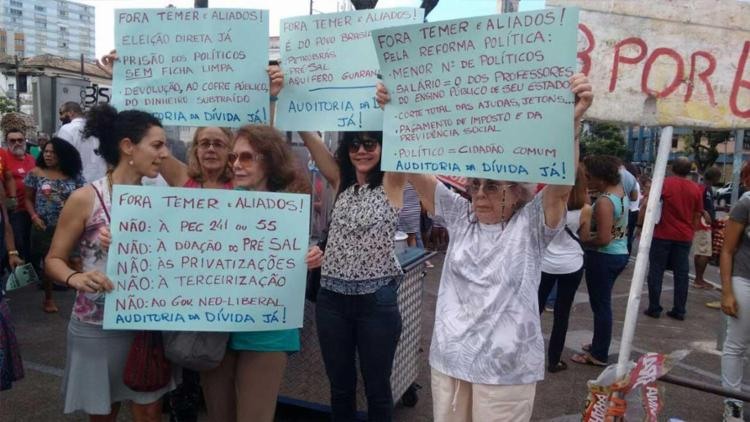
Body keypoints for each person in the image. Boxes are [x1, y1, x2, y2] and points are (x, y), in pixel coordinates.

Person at [375, 73, 592, 421]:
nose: (479, 194)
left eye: (492, 186)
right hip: (451, 362)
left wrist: (573, 121)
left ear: (519, 191)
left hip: (504, 372)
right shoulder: (462, 217)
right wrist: (394, 115)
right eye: (475, 184)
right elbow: (416, 173)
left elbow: (560, 187)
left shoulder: (530, 225)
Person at [45, 104, 175, 421]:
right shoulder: (86, 198)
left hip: (145, 324)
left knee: (149, 410)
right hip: (95, 327)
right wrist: (76, 279)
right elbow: (54, 259)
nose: (165, 154)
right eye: (157, 145)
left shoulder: (161, 198)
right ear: (128, 146)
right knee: (102, 412)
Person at [199, 125, 320, 422]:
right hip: (218, 330)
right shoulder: (218, 201)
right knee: (218, 416)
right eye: (233, 158)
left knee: (255, 416)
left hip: (268, 332)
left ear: (268, 160)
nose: (236, 165)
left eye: (246, 157)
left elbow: (295, 256)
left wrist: (311, 256)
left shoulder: (290, 205)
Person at [299, 129, 405, 421]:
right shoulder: (340, 183)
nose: (362, 150)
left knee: (378, 389)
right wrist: (286, 102)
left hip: (376, 303)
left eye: (370, 143)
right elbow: (310, 139)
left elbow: (407, 141)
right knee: (341, 389)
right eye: (354, 144)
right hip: (332, 302)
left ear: (385, 147)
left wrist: (392, 105)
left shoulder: (392, 182)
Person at [572, 155, 630, 367]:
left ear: (601, 177)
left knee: (601, 306)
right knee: (602, 304)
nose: (588, 181)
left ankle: (599, 353)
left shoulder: (605, 202)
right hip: (619, 252)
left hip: (605, 256)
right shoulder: (620, 193)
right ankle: (599, 343)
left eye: (590, 177)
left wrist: (585, 240)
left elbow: (604, 238)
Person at [538, 165, 592, 373]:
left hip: (546, 263)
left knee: (534, 309)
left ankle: (524, 352)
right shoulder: (586, 209)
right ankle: (554, 361)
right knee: (562, 314)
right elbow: (585, 237)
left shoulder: (547, 204)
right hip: (572, 264)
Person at [24, 137, 84, 313]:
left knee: (76, 261)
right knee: (48, 262)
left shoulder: (75, 176)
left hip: (69, 226)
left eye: (53, 152)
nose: (48, 155)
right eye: (46, 152)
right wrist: (34, 216)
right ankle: (48, 299)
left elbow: (84, 198)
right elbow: (28, 198)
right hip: (43, 226)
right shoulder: (35, 173)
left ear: (63, 155)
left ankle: (83, 298)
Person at [643, 157, 703, 321]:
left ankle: (654, 307)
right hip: (684, 236)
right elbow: (697, 213)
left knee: (656, 271)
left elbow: (651, 205)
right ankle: (679, 309)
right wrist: (692, 230)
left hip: (662, 233)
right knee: (681, 274)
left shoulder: (665, 184)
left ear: (672, 168)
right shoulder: (695, 188)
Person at [719, 161, 750, 422]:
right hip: (745, 281)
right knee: (736, 345)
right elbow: (727, 250)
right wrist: (727, 291)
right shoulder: (746, 203)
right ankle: (733, 406)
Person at [2, 129, 36, 265]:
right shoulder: (4, 159)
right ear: (7, 142)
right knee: (18, 244)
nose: (17, 143)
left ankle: (33, 275)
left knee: (32, 244)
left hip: (33, 210)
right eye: (12, 140)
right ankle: (19, 276)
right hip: (15, 211)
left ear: (25, 141)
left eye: (20, 140)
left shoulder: (32, 159)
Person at [57, 101, 108, 183]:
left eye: (62, 113)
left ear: (71, 112)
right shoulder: (99, 129)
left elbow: (61, 157)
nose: (61, 117)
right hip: (100, 182)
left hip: (76, 184)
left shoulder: (67, 129)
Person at [693, 166, 722, 289]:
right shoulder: (705, 188)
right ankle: (699, 279)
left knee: (700, 251)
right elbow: (698, 204)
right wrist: (704, 213)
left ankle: (698, 278)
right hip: (703, 224)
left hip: (702, 223)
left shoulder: (705, 188)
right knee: (704, 252)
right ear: (715, 177)